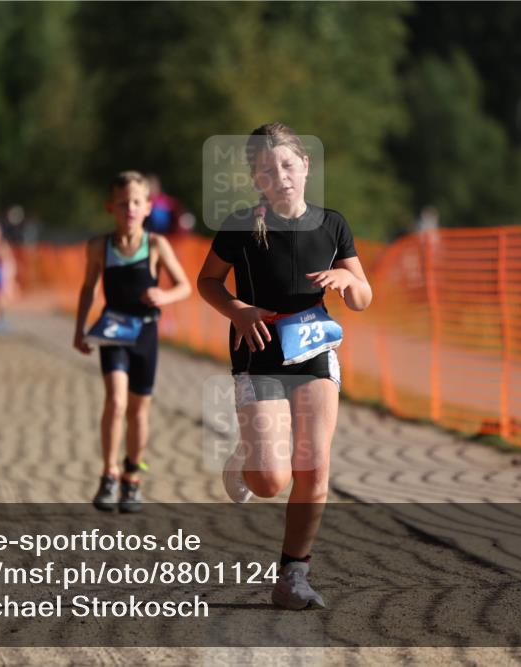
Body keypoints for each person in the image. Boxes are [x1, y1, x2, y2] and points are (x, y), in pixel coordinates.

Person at [197, 123, 372, 610]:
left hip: (315, 348)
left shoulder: (333, 225)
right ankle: (246, 457)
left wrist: (348, 281)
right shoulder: (241, 225)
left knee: (313, 464)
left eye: (288, 166)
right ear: (256, 178)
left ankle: (293, 576)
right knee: (270, 481)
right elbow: (208, 281)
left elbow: (363, 297)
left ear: (306, 166)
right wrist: (237, 310)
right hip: (260, 350)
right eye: (268, 171)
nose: (281, 177)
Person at [73, 171, 192, 513]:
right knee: (116, 401)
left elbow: (184, 285)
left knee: (139, 411)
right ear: (110, 207)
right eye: (123, 203)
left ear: (148, 207)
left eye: (136, 202)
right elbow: (88, 288)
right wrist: (79, 329)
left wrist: (163, 295)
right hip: (113, 332)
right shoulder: (100, 246)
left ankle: (132, 476)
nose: (130, 209)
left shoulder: (155, 245)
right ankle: (109, 473)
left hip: (145, 334)